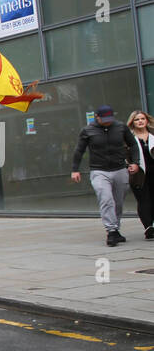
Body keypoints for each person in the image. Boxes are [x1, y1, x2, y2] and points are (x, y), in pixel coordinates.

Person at [72, 104, 140, 246]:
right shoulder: (88, 130)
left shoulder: (121, 127)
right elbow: (79, 150)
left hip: (120, 169)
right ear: (97, 117)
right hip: (99, 171)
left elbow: (133, 145)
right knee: (106, 199)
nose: (108, 121)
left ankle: (116, 228)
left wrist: (135, 162)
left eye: (110, 118)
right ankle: (111, 231)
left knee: (118, 202)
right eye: (104, 119)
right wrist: (75, 169)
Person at [125, 110, 154, 239]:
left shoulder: (153, 135)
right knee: (143, 200)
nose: (140, 121)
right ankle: (149, 227)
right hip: (139, 174)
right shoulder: (128, 138)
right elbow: (122, 156)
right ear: (133, 122)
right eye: (137, 119)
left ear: (147, 120)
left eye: (142, 118)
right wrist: (128, 166)